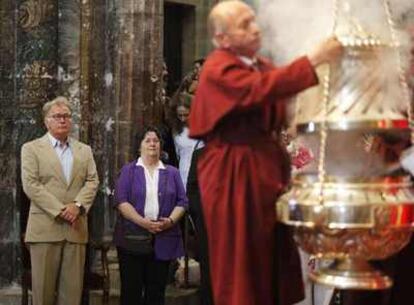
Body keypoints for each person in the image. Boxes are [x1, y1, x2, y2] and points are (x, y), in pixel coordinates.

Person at [187, 2, 343, 305]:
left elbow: (284, 87)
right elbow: (262, 88)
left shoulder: (257, 63)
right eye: (245, 24)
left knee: (269, 257)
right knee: (243, 262)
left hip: (263, 169)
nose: (256, 28)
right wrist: (313, 60)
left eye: (254, 20)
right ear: (222, 38)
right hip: (235, 173)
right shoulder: (218, 68)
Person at [21, 96, 99, 305]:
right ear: (46, 121)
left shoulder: (84, 150)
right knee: (43, 294)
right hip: (45, 228)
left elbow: (92, 181)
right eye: (57, 116)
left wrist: (78, 206)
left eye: (66, 116)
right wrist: (61, 210)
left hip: (75, 229)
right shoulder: (31, 149)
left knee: (72, 296)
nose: (62, 120)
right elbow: (31, 184)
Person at [113, 126, 188, 305]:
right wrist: (143, 222)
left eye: (156, 141)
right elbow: (121, 201)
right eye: (147, 141)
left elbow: (182, 201)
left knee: (156, 293)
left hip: (164, 238)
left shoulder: (172, 172)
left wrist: (170, 221)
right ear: (139, 147)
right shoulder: (128, 171)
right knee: (131, 293)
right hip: (132, 239)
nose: (152, 144)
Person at [170, 92, 202, 190]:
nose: (183, 119)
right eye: (180, 115)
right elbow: (177, 155)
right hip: (184, 173)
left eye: (186, 115)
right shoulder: (176, 131)